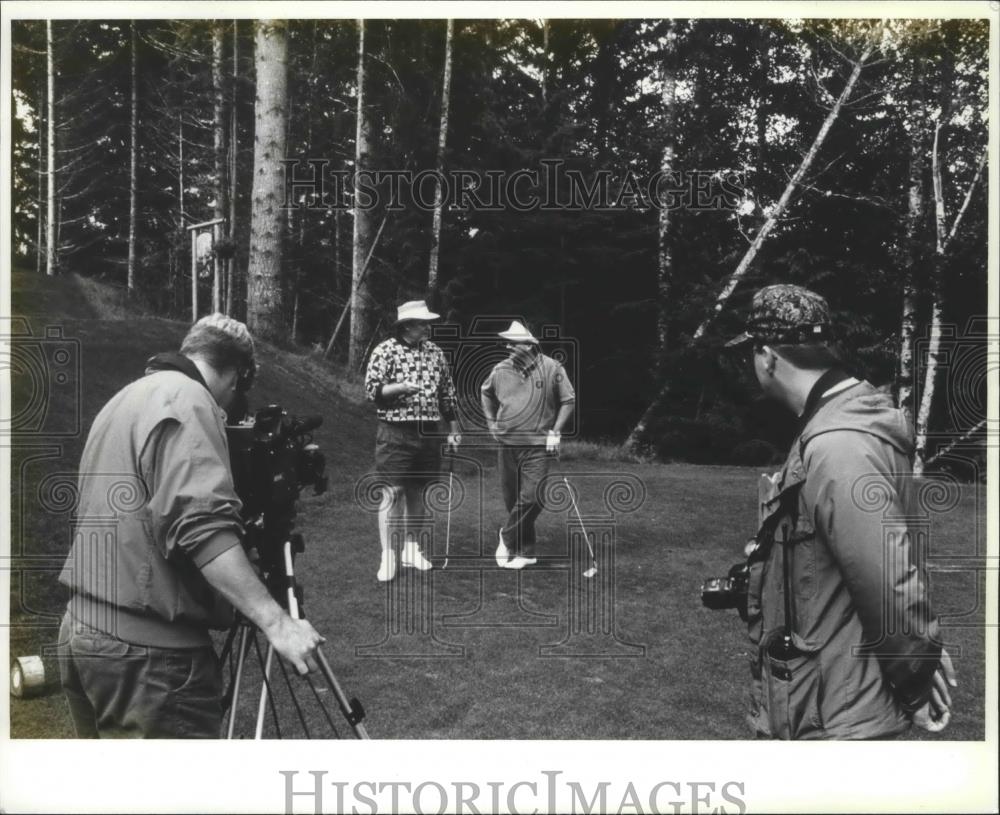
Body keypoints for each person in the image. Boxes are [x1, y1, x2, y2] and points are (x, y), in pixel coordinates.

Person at [57, 313, 325, 739]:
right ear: (238, 376)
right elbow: (203, 528)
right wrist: (278, 623)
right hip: (148, 658)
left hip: (84, 636)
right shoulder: (190, 402)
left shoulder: (127, 397)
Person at [726, 283, 956, 739]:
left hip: (838, 717)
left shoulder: (839, 444)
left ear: (768, 355)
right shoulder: (837, 427)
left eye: (752, 353)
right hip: (831, 702)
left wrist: (915, 679)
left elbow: (886, 581)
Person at [364, 300, 461, 582]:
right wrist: (400, 388)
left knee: (417, 491)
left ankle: (411, 549)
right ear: (407, 326)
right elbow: (372, 390)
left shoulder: (435, 353)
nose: (427, 327)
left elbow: (447, 393)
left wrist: (453, 427)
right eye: (422, 323)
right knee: (392, 492)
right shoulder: (385, 350)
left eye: (427, 322)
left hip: (429, 431)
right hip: (395, 431)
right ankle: (388, 556)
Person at [481, 321, 576, 569]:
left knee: (533, 497)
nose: (509, 347)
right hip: (507, 444)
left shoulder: (551, 367)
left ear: (530, 345)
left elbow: (568, 400)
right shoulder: (500, 369)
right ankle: (526, 552)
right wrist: (491, 423)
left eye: (514, 343)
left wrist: (556, 431)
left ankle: (506, 537)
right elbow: (485, 392)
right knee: (513, 500)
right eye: (508, 343)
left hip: (538, 446)